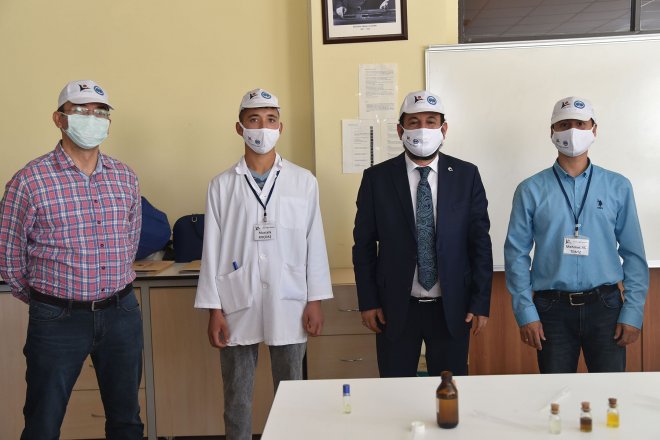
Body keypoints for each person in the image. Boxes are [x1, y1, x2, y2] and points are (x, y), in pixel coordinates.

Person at [0, 80, 143, 439]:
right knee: (43, 423)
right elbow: (9, 257)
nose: (91, 118)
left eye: (100, 112)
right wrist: (46, 300)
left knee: (127, 420)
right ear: (59, 119)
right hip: (58, 319)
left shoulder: (125, 177)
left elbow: (131, 240)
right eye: (80, 111)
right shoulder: (29, 181)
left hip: (121, 313)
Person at [195, 88, 333, 440]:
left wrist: (315, 300)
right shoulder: (222, 185)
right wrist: (213, 309)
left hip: (290, 299)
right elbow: (211, 249)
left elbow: (314, 242)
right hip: (236, 301)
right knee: (237, 399)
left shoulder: (303, 181)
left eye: (270, 120)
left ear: (280, 128)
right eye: (254, 119)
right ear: (239, 128)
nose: (262, 127)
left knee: (292, 394)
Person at [352, 90, 493, 377]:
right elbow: (363, 246)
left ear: (444, 129)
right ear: (400, 130)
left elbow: (479, 243)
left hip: (452, 307)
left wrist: (480, 302)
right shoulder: (377, 179)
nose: (422, 129)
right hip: (395, 307)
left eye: (431, 121)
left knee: (449, 391)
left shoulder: (466, 175)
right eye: (414, 122)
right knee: (395, 390)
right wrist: (368, 301)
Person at [504, 96, 649, 373]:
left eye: (580, 124)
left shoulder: (618, 186)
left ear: (594, 129)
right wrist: (525, 312)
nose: (572, 131)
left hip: (606, 306)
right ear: (552, 132)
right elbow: (516, 254)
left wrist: (633, 311)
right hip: (551, 309)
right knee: (556, 392)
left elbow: (633, 253)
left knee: (609, 392)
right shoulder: (530, 189)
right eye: (564, 124)